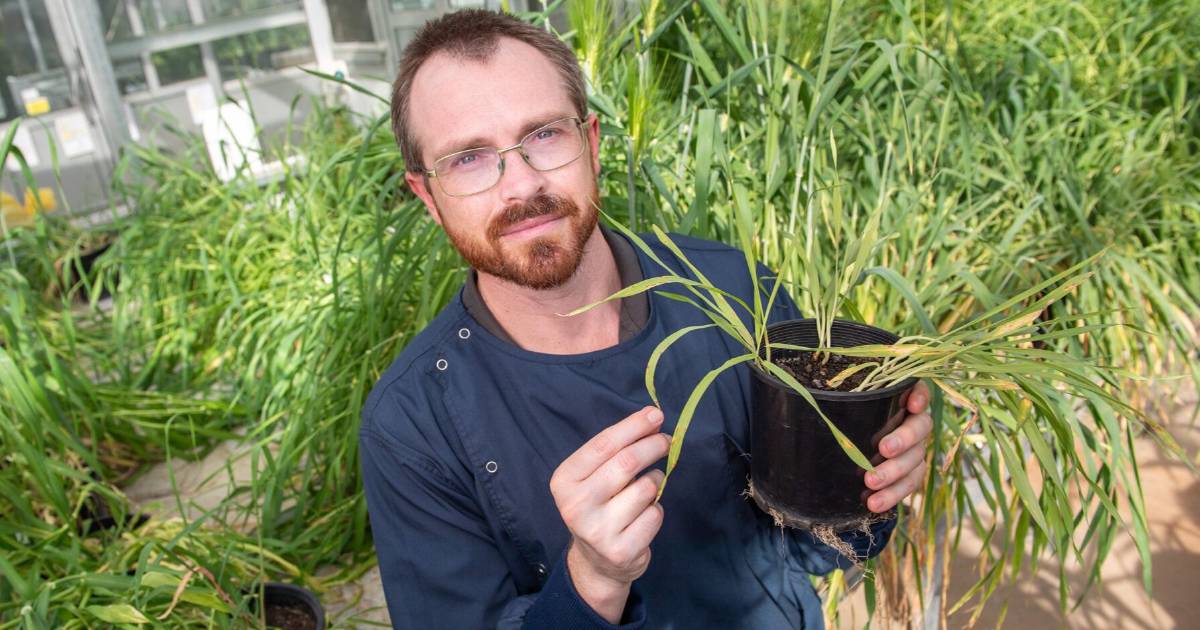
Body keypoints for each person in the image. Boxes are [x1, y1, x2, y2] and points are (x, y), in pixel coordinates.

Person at [360, 9, 932, 629]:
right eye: (468, 158)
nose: (520, 185)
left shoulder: (732, 289)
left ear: (593, 143)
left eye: (544, 135)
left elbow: (818, 547)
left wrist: (867, 486)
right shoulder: (411, 424)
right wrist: (593, 580)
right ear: (427, 198)